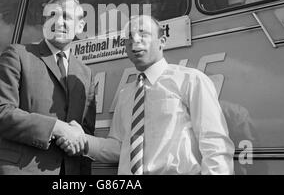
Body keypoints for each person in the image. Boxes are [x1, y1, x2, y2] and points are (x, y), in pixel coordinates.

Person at [57, 15, 234, 175]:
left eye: (143, 35)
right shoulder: (126, 94)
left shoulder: (191, 80)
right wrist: (82, 140)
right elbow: (119, 148)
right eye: (129, 38)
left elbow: (215, 144)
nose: (135, 42)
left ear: (161, 41)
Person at [0, 0, 96, 175]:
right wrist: (58, 128)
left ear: (80, 26)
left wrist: (76, 143)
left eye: (67, 16)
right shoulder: (17, 55)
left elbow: (86, 132)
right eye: (53, 16)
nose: (59, 22)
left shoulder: (86, 74)